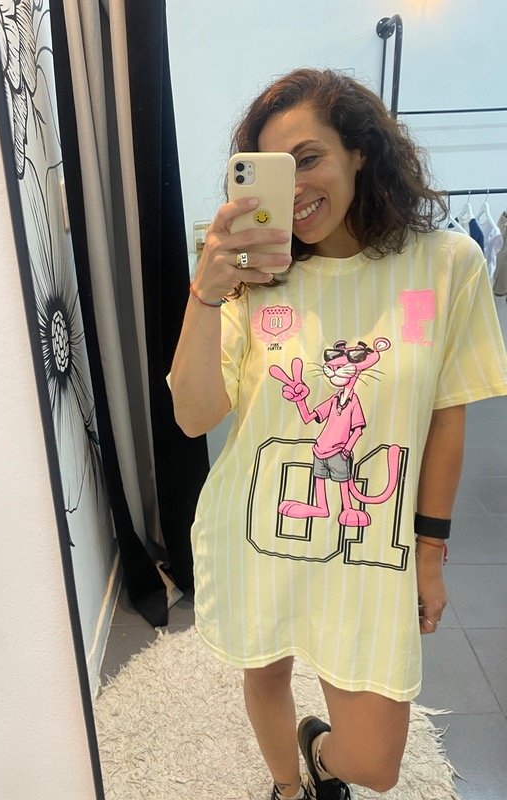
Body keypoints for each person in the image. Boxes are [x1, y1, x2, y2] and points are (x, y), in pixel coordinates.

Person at [169, 69, 507, 800]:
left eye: (308, 158)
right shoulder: (254, 280)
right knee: (267, 669)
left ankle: (321, 757)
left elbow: (447, 417)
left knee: (375, 764)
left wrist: (430, 553)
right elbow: (194, 416)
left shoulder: (446, 265)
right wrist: (206, 291)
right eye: (274, 169)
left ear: (360, 150)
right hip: (264, 527)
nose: (293, 189)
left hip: (367, 544)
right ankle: (289, 789)